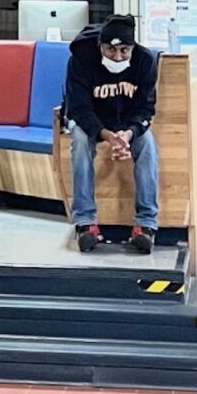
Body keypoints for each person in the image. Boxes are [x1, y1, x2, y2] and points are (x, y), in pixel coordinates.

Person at [62, 14, 159, 254]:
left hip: (127, 123)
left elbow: (146, 108)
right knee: (81, 141)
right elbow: (78, 108)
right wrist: (106, 135)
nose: (117, 57)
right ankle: (85, 222)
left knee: (147, 145)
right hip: (92, 120)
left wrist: (128, 134)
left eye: (124, 51)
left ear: (133, 47)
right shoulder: (81, 59)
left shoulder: (145, 61)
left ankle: (146, 224)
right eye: (110, 50)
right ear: (100, 46)